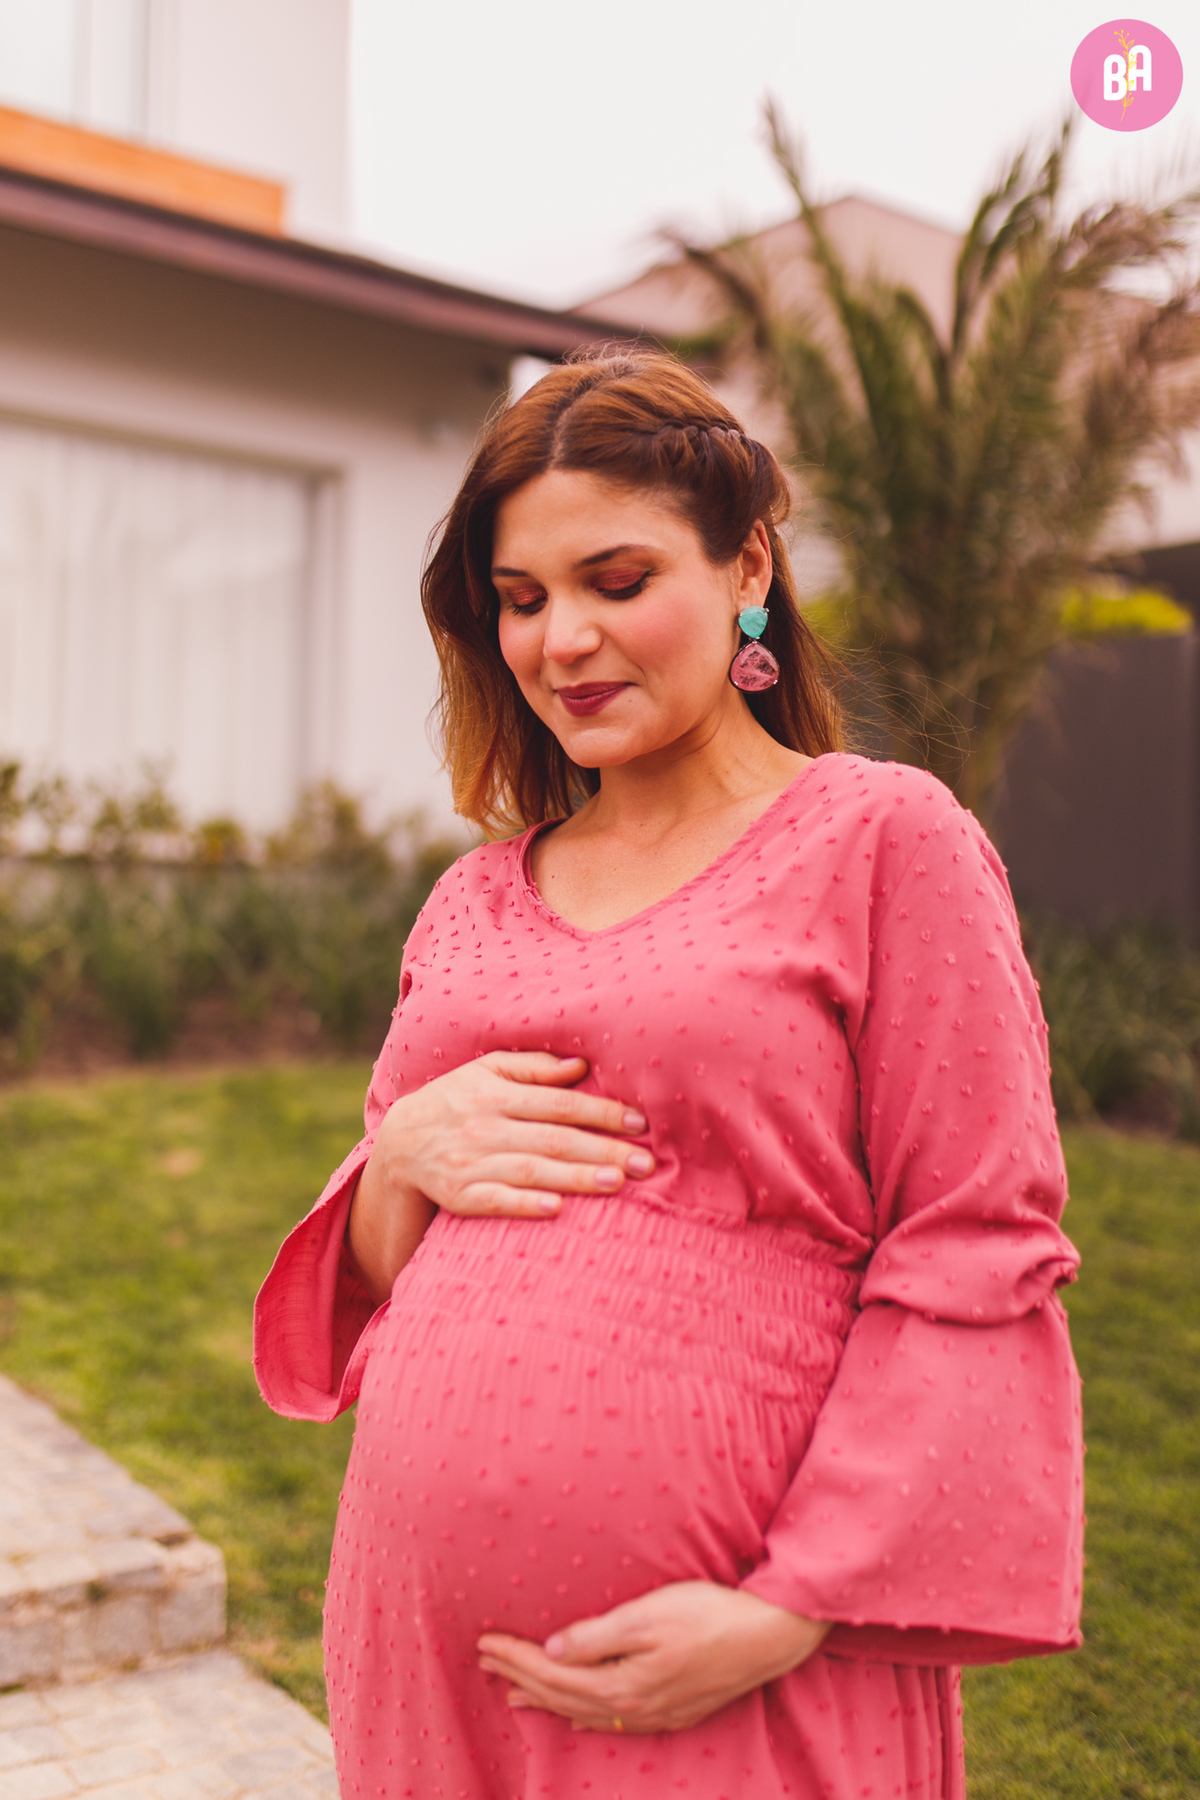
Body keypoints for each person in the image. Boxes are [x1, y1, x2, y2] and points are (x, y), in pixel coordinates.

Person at [254, 349, 1083, 1800]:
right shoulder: (472, 901)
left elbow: (974, 1243)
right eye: (521, 600)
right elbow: (383, 1272)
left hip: (740, 1653)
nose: (563, 639)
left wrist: (790, 1604)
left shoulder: (886, 840)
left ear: (748, 561)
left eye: (617, 581)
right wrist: (395, 1165)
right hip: (425, 1652)